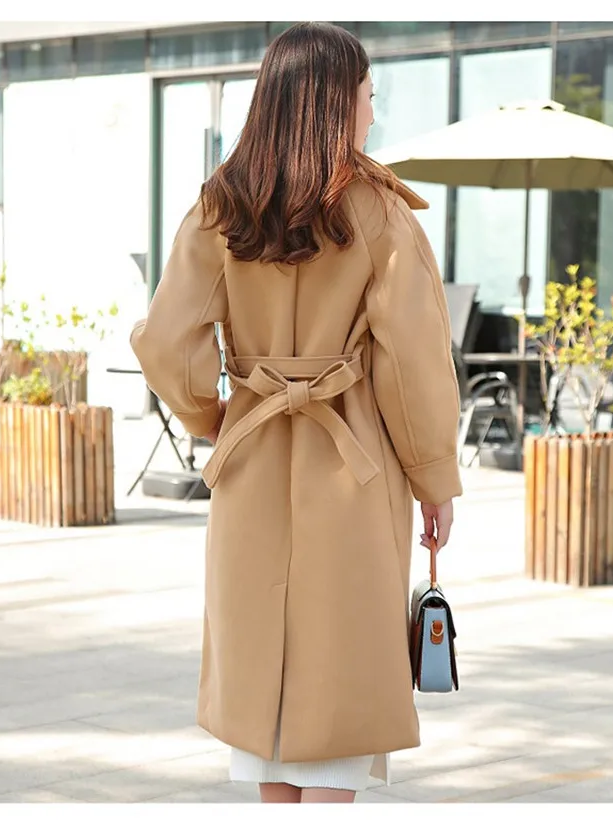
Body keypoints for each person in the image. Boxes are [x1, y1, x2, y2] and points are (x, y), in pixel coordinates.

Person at [130, 21, 462, 805]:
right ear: (334, 103)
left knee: (267, 729)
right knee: (337, 710)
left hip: (250, 466)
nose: (373, 113)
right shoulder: (380, 213)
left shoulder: (221, 206)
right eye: (368, 95)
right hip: (352, 473)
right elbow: (414, 366)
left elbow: (167, 341)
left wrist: (213, 415)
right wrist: (434, 480)